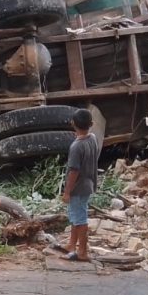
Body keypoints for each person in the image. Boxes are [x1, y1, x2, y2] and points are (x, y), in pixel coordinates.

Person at [60, 108, 101, 261]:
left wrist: (67, 192)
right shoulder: (93, 138)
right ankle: (71, 244)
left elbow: (74, 171)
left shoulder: (76, 147)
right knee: (75, 216)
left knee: (80, 220)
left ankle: (82, 252)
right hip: (88, 183)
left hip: (78, 187)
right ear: (91, 124)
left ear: (73, 123)